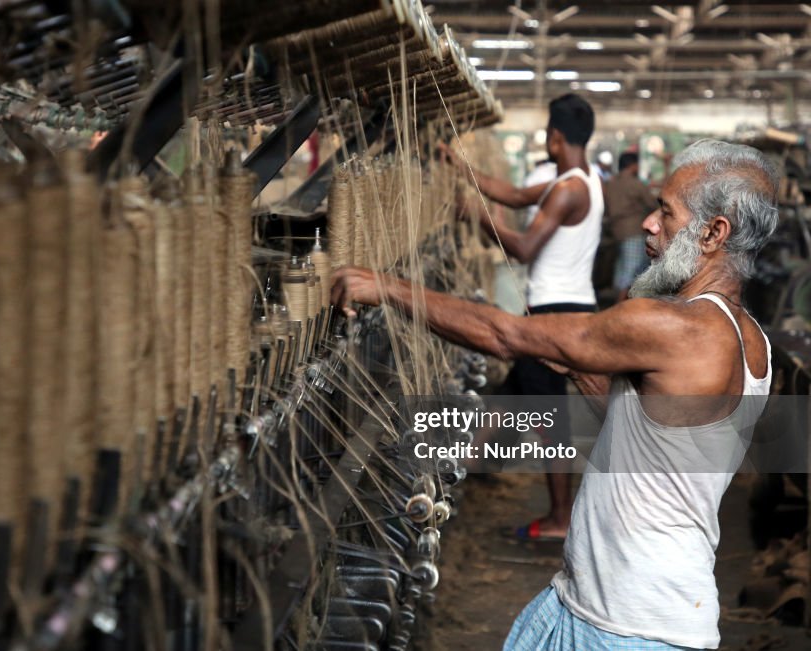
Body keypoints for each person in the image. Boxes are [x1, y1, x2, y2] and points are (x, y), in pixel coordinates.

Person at [332, 139, 777, 649]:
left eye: (665, 211)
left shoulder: (676, 327)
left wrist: (390, 289)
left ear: (714, 233)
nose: (648, 224)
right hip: (607, 604)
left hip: (628, 626)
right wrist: (576, 367)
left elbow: (505, 337)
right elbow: (656, 438)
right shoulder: (752, 343)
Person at [439, 93, 603, 543]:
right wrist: (457, 165)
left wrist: (478, 219)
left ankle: (560, 518)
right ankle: (454, 474)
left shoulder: (568, 190)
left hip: (554, 313)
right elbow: (511, 193)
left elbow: (526, 248)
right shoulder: (584, 179)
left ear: (554, 137)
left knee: (549, 420)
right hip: (571, 306)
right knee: (508, 400)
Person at [605, 151, 658, 302]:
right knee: (631, 272)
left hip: (616, 232)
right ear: (633, 165)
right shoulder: (636, 184)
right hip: (633, 232)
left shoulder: (610, 183)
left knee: (621, 271)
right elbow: (652, 204)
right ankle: (619, 309)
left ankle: (618, 305)